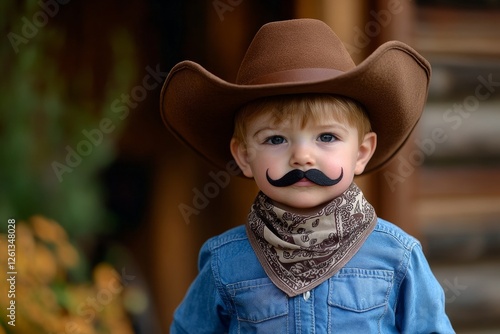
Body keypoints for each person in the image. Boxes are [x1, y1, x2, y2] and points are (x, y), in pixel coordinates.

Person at [160, 18, 454, 333]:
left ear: (361, 152)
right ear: (244, 156)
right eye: (276, 139)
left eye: (326, 137)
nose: (302, 156)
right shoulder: (226, 262)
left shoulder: (396, 257)